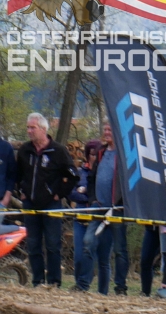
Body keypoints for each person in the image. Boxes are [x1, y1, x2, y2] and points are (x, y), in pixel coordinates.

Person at [13, 112, 75, 287]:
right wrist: (21, 190)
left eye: (32, 128)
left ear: (43, 129)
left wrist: (59, 194)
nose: (29, 131)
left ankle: (54, 282)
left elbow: (73, 176)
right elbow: (17, 174)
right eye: (28, 127)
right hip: (30, 203)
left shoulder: (58, 151)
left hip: (51, 205)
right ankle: (38, 281)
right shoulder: (25, 150)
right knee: (33, 244)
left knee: (53, 244)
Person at [91, 123, 128, 295]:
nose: (106, 132)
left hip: (117, 209)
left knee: (120, 249)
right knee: (96, 247)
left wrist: (121, 202)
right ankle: (96, 288)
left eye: (110, 130)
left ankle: (120, 287)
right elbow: (92, 177)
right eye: (105, 129)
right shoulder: (101, 152)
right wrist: (92, 198)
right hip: (99, 207)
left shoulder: (124, 154)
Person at [69, 139, 101, 292]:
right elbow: (72, 193)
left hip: (96, 219)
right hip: (80, 218)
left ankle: (84, 285)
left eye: (96, 155)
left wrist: (86, 192)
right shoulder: (80, 172)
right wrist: (87, 197)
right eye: (91, 154)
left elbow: (100, 195)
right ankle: (78, 284)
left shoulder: (102, 173)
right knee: (78, 256)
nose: (93, 157)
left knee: (90, 252)